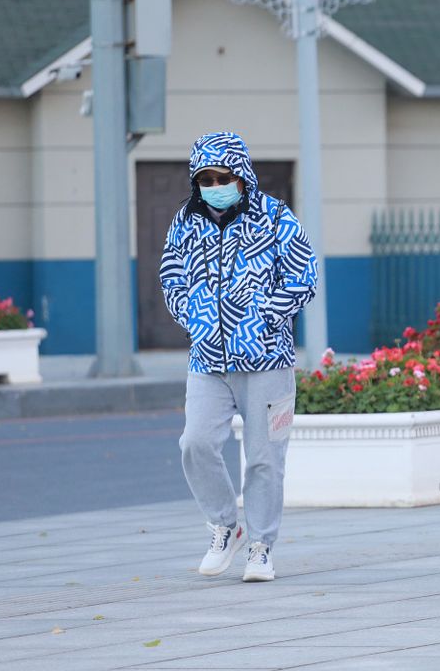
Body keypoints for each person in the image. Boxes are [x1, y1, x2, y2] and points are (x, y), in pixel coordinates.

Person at [160, 131, 318, 582]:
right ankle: (225, 527)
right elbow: (171, 278)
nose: (214, 184)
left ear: (241, 175)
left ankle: (262, 547)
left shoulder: (275, 218)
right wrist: (196, 318)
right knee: (195, 443)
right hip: (207, 361)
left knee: (265, 458)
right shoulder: (185, 222)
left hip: (268, 360)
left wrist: (264, 314)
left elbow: (304, 274)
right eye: (205, 178)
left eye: (222, 176)